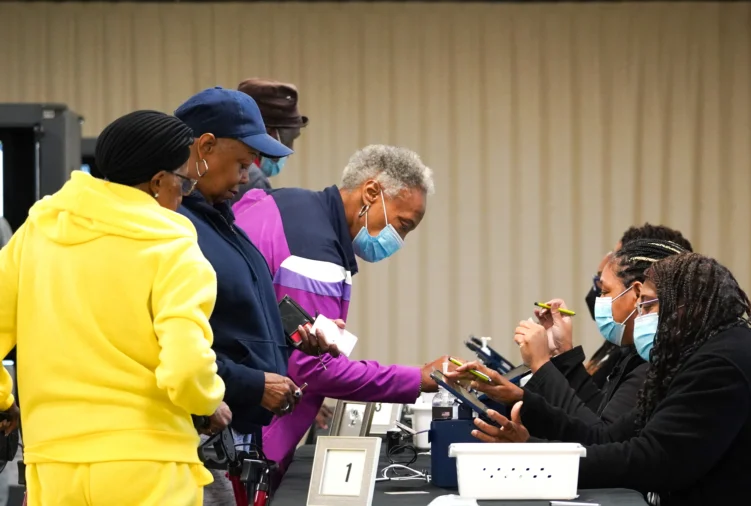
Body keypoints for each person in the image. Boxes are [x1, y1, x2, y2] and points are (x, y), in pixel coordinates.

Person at [471, 251, 751, 506]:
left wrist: (536, 462)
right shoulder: (697, 355)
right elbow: (607, 436)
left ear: (684, 308)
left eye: (648, 305)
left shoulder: (721, 366)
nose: (640, 316)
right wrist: (525, 420)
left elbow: (652, 462)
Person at [0, 110, 229, 505]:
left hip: (52, 460)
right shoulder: (174, 249)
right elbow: (187, 368)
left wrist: (5, 400)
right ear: (158, 183)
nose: (185, 195)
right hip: (147, 462)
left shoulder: (36, 232)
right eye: (185, 182)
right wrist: (209, 401)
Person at [232, 145, 447, 484]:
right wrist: (417, 379)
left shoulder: (289, 204)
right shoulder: (314, 254)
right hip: (246, 430)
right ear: (372, 192)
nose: (399, 240)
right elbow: (313, 368)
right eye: (402, 225)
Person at [174, 88, 306, 505]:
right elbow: (172, 347)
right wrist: (249, 384)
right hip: (195, 437)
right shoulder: (176, 230)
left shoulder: (220, 221)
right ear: (206, 147)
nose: (246, 177)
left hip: (230, 436)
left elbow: (238, 309)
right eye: (241, 164)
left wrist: (297, 332)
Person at [451, 239, 688, 427]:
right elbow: (598, 411)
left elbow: (599, 436)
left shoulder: (654, 364)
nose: (599, 300)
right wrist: (563, 353)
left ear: (638, 295)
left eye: (605, 291)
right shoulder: (633, 355)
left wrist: (542, 365)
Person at [583, 224, 694, 389]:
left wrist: (546, 365)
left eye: (605, 289)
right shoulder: (622, 345)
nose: (599, 296)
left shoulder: (652, 363)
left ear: (638, 290)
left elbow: (591, 413)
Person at [233, 78, 308, 201]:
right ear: (267, 133)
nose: (290, 150)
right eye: (287, 139)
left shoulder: (212, 164)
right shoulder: (252, 181)